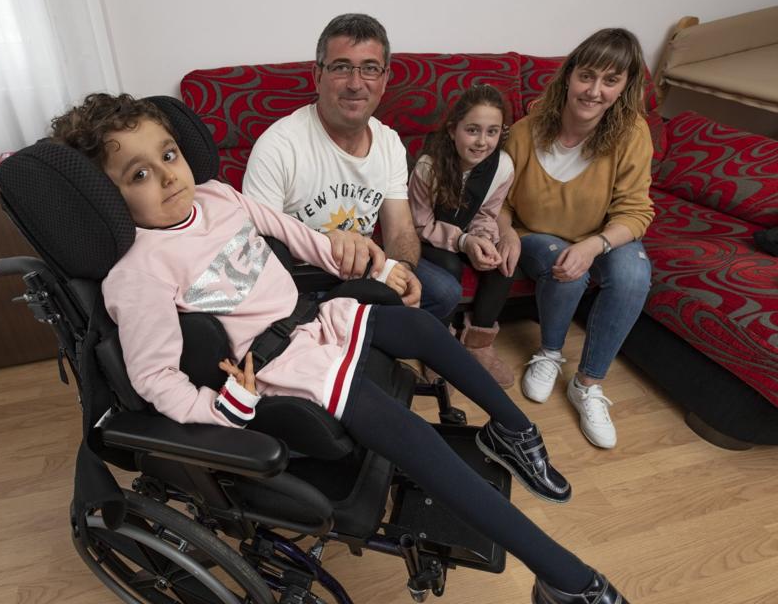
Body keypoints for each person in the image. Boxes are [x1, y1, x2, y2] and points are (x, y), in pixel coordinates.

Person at [48, 92, 631, 604]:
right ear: (108, 197)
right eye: (139, 175)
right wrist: (217, 411)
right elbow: (153, 378)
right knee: (415, 440)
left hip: (310, 317)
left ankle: (512, 430)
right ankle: (567, 579)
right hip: (276, 367)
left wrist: (356, 255)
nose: (169, 176)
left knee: (423, 327)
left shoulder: (218, 196)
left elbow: (294, 233)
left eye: (168, 155)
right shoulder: (139, 272)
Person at [242, 13, 461, 322]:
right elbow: (256, 253)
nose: (356, 84)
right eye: (342, 67)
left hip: (367, 272)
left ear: (384, 79)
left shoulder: (389, 143)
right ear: (318, 76)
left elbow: (400, 231)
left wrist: (403, 270)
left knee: (444, 292)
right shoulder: (278, 146)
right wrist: (325, 243)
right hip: (302, 280)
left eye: (370, 69)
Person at [499, 28, 655, 449]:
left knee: (634, 274)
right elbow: (499, 200)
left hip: (599, 236)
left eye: (610, 81)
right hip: (535, 235)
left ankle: (587, 384)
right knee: (559, 258)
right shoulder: (525, 130)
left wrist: (594, 245)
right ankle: (549, 353)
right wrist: (504, 234)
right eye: (587, 76)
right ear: (568, 76)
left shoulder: (631, 133)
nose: (594, 91)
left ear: (625, 87)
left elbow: (637, 211)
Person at [408, 84, 516, 387]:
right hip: (431, 239)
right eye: (473, 130)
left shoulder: (503, 166)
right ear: (453, 130)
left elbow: (488, 213)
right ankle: (438, 343)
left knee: (504, 264)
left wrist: (482, 239)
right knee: (450, 266)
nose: (482, 142)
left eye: (492, 132)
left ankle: (478, 343)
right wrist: (462, 242)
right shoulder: (429, 167)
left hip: (469, 235)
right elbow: (419, 225)